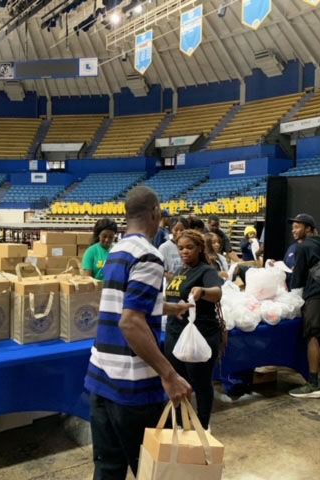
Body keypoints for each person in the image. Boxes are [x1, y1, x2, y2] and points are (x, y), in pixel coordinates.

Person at [85, 186, 193, 480]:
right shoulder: (149, 256)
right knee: (155, 471)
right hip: (132, 387)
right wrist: (170, 375)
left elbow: (128, 303)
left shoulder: (117, 250)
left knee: (109, 468)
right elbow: (130, 322)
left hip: (100, 378)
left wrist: (171, 307)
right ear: (155, 214)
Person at [165, 230, 223, 430]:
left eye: (189, 247)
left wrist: (202, 292)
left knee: (201, 382)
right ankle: (181, 422)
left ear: (199, 248)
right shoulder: (181, 272)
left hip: (200, 334)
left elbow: (217, 293)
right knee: (179, 381)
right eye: (181, 248)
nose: (184, 252)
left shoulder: (206, 271)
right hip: (175, 333)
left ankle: (203, 424)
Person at [287, 213, 320, 399]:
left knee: (312, 336)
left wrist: (291, 281)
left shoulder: (303, 247)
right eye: (293, 227)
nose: (294, 230)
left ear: (308, 228)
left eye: (297, 226)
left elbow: (298, 278)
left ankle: (313, 384)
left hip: (315, 296)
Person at [159, 216, 189, 282]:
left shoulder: (191, 246)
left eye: (182, 230)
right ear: (171, 230)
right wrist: (177, 279)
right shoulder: (164, 248)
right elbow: (161, 271)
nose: (179, 233)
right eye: (176, 230)